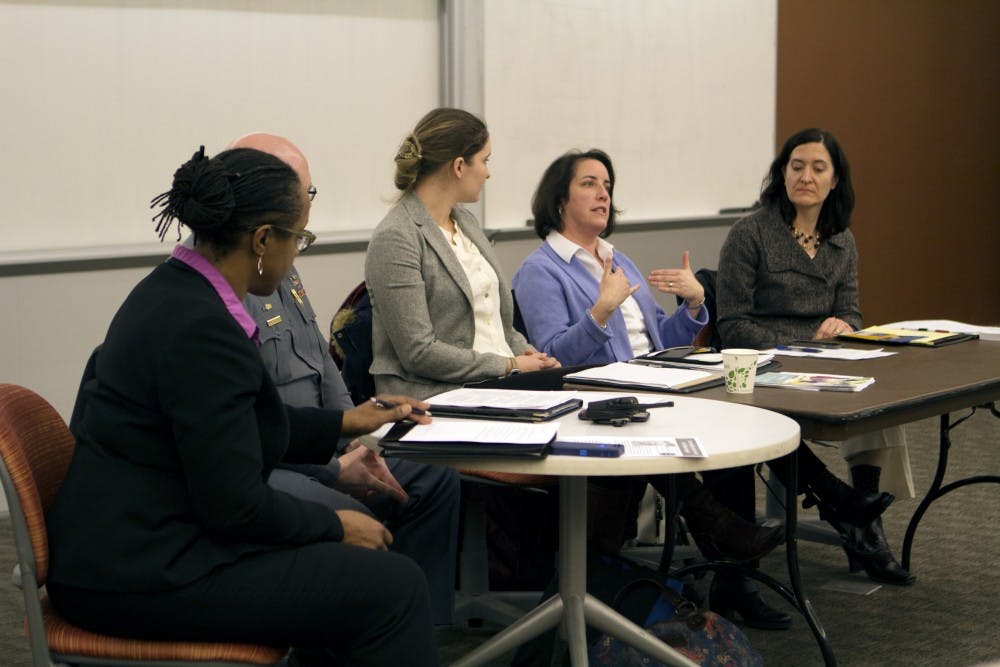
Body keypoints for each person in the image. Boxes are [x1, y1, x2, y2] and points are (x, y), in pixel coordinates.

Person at [45, 146, 440, 666]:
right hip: (144, 573)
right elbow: (235, 506)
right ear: (261, 240)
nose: (297, 251)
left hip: (125, 548)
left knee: (352, 579)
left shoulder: (170, 291)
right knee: (396, 588)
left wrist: (347, 420)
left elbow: (231, 427)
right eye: (298, 238)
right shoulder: (205, 330)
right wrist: (337, 525)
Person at [511, 148, 784, 566]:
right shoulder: (540, 270)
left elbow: (661, 340)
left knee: (731, 423)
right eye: (589, 184)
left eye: (607, 186)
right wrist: (600, 311)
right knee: (670, 431)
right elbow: (552, 359)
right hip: (596, 398)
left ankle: (732, 571)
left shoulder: (618, 260)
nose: (603, 194)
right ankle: (724, 542)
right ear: (559, 200)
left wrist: (693, 305)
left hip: (655, 380)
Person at [237, 132, 461, 627]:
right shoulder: (233, 284)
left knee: (434, 477)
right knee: (354, 516)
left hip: (321, 444)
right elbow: (252, 433)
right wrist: (334, 467)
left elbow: (321, 361)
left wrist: (358, 434)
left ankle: (426, 629)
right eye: (303, 193)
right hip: (276, 466)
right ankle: (361, 632)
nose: (307, 208)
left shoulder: (282, 266)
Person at [714, 127, 915, 586]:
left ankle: (862, 518)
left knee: (881, 405)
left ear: (835, 179)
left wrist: (845, 327)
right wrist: (805, 339)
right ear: (781, 174)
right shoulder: (750, 234)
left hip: (827, 365)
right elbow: (733, 325)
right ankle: (854, 517)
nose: (806, 176)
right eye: (796, 166)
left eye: (818, 168)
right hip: (766, 369)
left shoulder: (842, 240)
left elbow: (851, 313)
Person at [365, 107, 560, 400]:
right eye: (485, 160)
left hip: (497, 386)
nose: (488, 172)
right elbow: (419, 352)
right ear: (459, 166)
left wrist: (530, 356)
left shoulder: (466, 222)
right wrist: (510, 366)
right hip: (436, 398)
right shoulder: (396, 237)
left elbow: (499, 326)